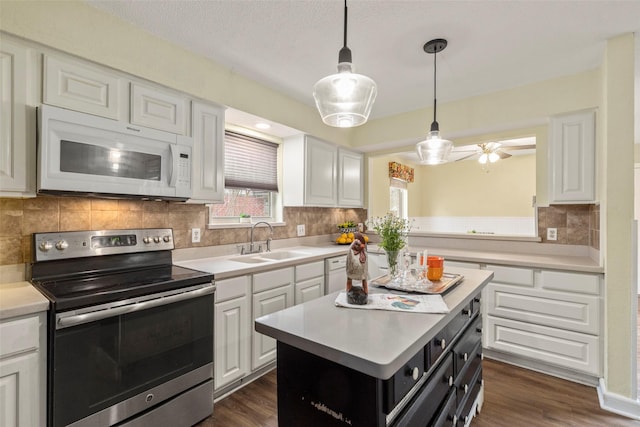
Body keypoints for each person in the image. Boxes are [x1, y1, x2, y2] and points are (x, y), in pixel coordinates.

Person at [346, 232, 368, 304]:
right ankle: (364, 290)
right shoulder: (354, 251)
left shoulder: (360, 251)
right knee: (361, 279)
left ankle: (364, 290)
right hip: (357, 271)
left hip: (357, 271)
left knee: (352, 279)